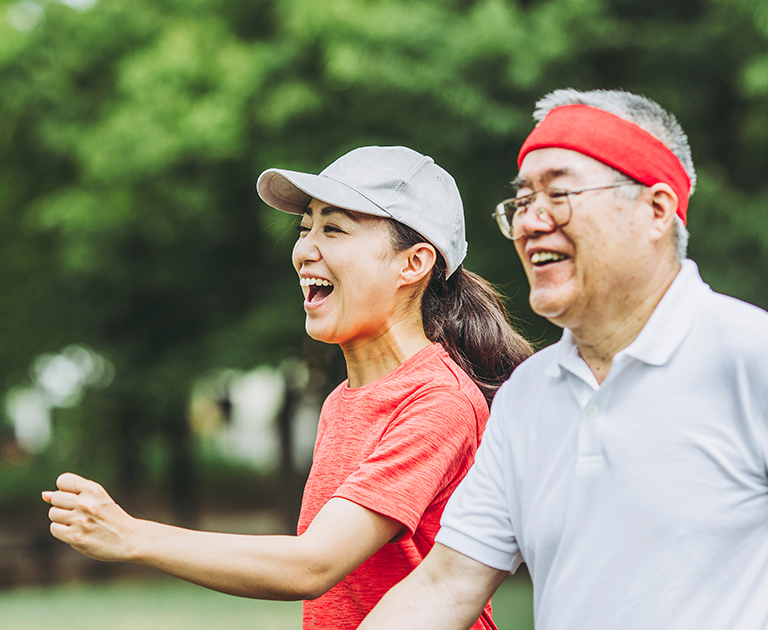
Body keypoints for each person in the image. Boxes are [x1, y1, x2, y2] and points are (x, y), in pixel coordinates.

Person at [357, 90, 768, 630]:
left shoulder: (765, 362)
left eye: (559, 195)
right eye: (521, 201)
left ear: (657, 209)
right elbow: (446, 584)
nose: (531, 223)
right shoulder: (527, 396)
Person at [42, 146, 532, 630]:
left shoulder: (437, 401)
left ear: (413, 264)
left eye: (334, 229)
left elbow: (312, 566)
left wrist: (131, 536)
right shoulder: (343, 401)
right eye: (305, 228)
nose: (304, 250)